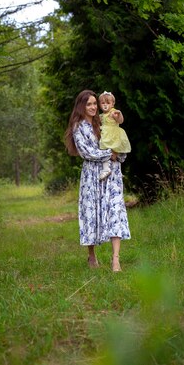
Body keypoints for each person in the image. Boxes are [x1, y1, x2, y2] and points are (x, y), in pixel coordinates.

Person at [64, 89, 131, 272]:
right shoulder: (78, 127)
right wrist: (111, 154)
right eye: (89, 104)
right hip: (91, 176)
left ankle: (115, 259)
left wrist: (120, 153)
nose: (93, 107)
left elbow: (118, 140)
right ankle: (91, 255)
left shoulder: (103, 120)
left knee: (115, 210)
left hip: (113, 175)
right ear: (81, 106)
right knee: (91, 214)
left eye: (95, 103)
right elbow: (87, 153)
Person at [98, 91, 131, 181]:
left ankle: (118, 171)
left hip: (113, 135)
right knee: (104, 150)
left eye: (108, 103)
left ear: (113, 104)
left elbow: (120, 121)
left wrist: (119, 114)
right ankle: (106, 168)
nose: (105, 105)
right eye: (103, 103)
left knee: (115, 153)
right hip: (105, 135)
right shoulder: (101, 116)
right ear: (100, 105)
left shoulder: (113, 112)